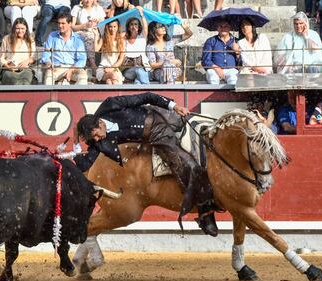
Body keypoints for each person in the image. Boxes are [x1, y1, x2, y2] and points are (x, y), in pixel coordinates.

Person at [74, 92, 219, 237]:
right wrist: (76, 147)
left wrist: (174, 106)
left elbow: (147, 97)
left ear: (100, 123)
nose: (97, 139)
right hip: (157, 135)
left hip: (161, 116)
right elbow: (86, 164)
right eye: (93, 138)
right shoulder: (98, 141)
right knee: (185, 165)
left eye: (96, 134)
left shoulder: (110, 105)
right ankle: (205, 211)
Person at [41, 10, 87, 85]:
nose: (60, 26)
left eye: (63, 23)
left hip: (73, 67)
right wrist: (48, 63)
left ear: (70, 24)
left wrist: (71, 69)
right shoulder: (52, 36)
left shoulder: (78, 39)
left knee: (83, 77)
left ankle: (78, 96)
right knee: (49, 77)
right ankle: (49, 97)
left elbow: (82, 59)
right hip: (56, 67)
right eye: (58, 23)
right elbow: (46, 54)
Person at [71, 0, 106, 74]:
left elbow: (103, 25)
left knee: (90, 36)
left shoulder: (98, 8)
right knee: (86, 36)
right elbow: (72, 27)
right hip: (80, 31)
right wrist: (84, 25)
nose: (88, 1)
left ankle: (88, 62)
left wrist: (98, 22)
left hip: (95, 32)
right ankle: (92, 63)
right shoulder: (77, 8)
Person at [201, 19, 240, 85]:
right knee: (212, 78)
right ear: (217, 28)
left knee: (233, 79)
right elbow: (205, 60)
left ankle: (231, 95)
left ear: (230, 27)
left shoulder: (236, 41)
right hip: (214, 69)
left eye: (226, 26)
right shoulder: (211, 41)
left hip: (231, 69)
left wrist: (237, 52)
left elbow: (241, 63)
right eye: (220, 26)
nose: (223, 28)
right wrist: (216, 68)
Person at [0, 18, 36, 85]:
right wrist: (7, 66)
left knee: (26, 82)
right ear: (14, 29)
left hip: (25, 70)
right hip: (10, 70)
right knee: (15, 82)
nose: (20, 31)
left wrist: (27, 61)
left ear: (26, 28)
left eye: (22, 28)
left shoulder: (30, 40)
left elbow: (33, 57)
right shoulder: (6, 39)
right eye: (17, 28)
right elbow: (1, 58)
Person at [122, 13, 150, 84]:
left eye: (136, 24)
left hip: (143, 69)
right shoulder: (124, 40)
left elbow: (145, 27)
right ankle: (149, 88)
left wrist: (142, 15)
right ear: (128, 27)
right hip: (128, 70)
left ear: (139, 26)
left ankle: (141, 87)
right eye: (131, 24)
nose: (133, 26)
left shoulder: (142, 38)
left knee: (138, 82)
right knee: (138, 70)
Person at [94, 19, 124, 84]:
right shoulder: (104, 38)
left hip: (114, 68)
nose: (112, 29)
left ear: (118, 27)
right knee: (113, 76)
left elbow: (121, 59)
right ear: (107, 27)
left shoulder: (121, 41)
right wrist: (96, 36)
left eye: (114, 26)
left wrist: (112, 68)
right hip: (103, 69)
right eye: (110, 26)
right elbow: (96, 49)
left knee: (110, 81)